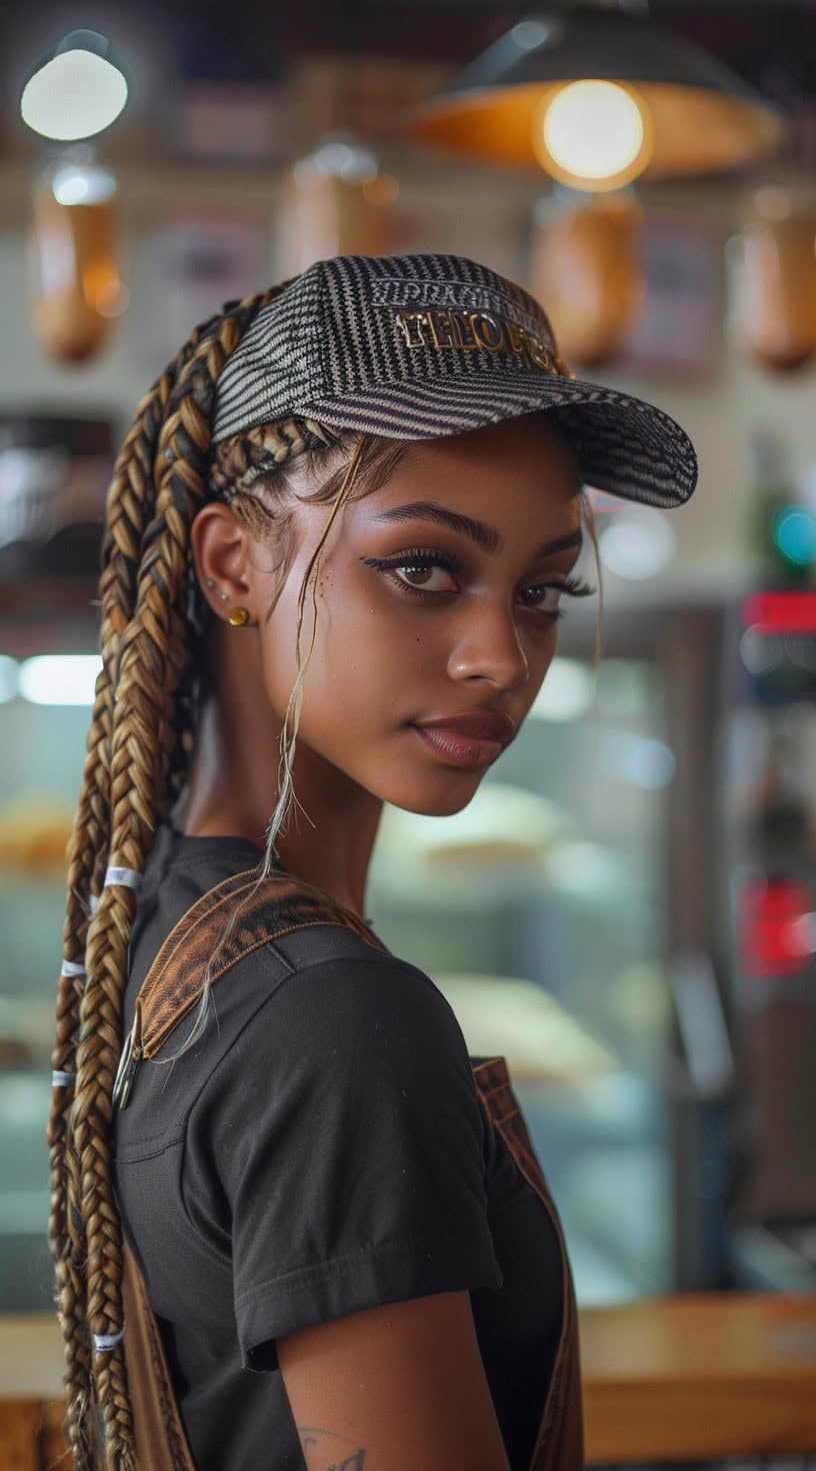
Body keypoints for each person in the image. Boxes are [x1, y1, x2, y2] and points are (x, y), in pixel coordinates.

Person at [48, 252, 697, 1471]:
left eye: (545, 589)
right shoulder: (337, 1018)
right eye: (424, 569)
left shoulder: (174, 919)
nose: (500, 656)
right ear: (234, 564)